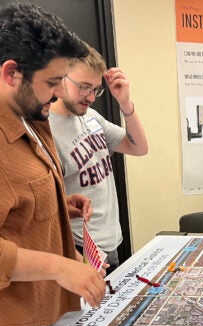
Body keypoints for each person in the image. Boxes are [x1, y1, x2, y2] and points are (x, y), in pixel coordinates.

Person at [0, 3, 107, 326]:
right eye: (51, 83)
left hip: (42, 302)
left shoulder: (26, 115)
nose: (58, 94)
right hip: (12, 313)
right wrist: (60, 266)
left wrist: (57, 204)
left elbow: (15, 199)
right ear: (11, 73)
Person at [49, 43, 148, 274]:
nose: (91, 97)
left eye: (96, 89)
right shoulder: (46, 131)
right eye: (84, 87)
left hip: (111, 240)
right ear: (61, 77)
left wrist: (125, 103)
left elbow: (139, 148)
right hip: (79, 247)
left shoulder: (91, 117)